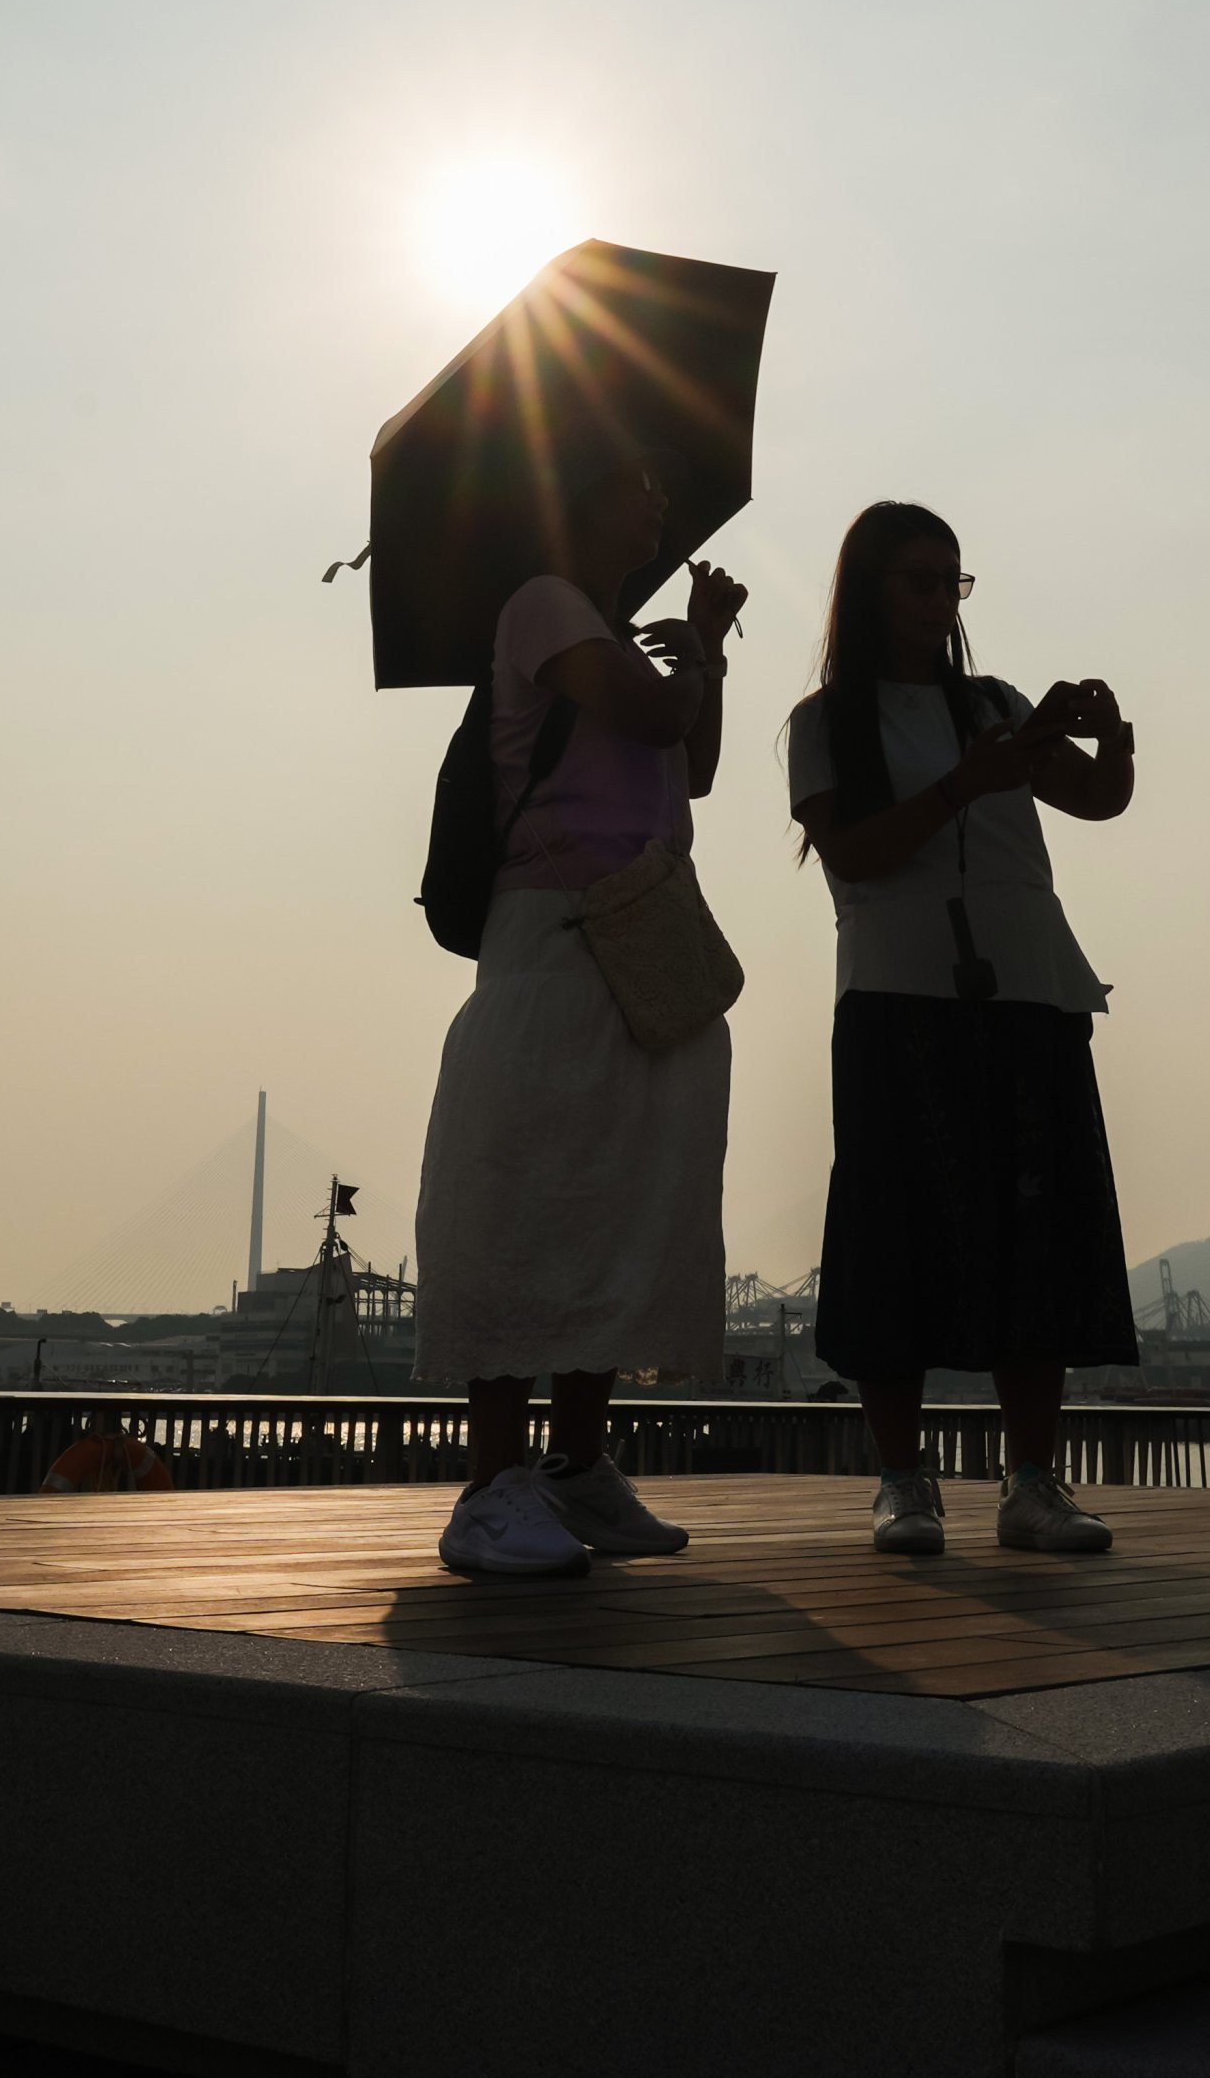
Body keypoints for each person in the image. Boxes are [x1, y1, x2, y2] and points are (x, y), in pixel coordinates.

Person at [411, 454, 746, 1579]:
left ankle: (576, 1465)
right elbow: (655, 715)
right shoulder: (545, 605)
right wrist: (689, 649)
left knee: (613, 1194)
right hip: (554, 933)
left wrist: (703, 653)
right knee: (530, 1197)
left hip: (635, 933)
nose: (655, 496)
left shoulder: (610, 623)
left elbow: (690, 763)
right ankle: (492, 1483)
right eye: (633, 480)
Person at [785, 503, 1138, 1557]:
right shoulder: (824, 722)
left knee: (1039, 1235)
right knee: (894, 1236)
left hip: (1029, 989)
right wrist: (961, 785)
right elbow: (855, 855)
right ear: (869, 591)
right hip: (898, 994)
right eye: (919, 582)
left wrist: (1108, 729)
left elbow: (1099, 799)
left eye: (954, 583)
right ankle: (904, 1481)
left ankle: (1034, 1481)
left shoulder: (994, 704)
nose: (942, 603)